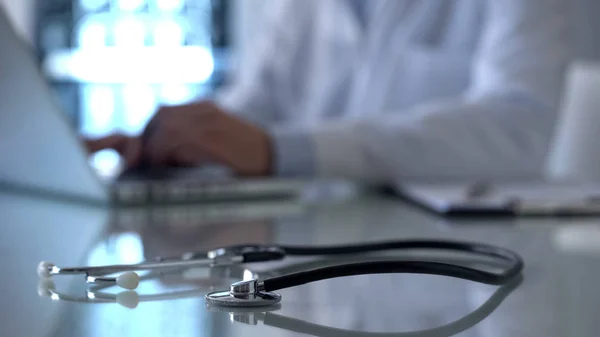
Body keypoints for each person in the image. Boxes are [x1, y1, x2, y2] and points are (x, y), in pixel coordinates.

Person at [86, 0, 572, 183]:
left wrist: (285, 150)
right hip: (320, 266)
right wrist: (181, 147)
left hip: (468, 281)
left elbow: (521, 126)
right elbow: (251, 113)